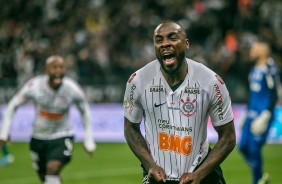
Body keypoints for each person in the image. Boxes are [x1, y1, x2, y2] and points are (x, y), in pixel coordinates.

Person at [123, 21, 236, 184]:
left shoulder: (211, 82)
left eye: (172, 38)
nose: (165, 44)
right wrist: (150, 165)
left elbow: (228, 137)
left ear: (186, 43)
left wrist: (200, 174)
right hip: (157, 176)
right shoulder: (138, 81)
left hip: (202, 175)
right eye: (159, 40)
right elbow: (130, 129)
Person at [0, 55, 96, 184]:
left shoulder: (72, 88)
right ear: (46, 70)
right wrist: (4, 133)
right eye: (54, 67)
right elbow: (13, 105)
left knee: (53, 168)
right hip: (38, 137)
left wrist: (88, 139)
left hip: (62, 135)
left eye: (61, 67)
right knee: (46, 177)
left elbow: (85, 112)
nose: (58, 71)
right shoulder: (34, 86)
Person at [239, 41, 279, 184]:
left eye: (255, 48)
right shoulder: (254, 68)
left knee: (254, 147)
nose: (252, 51)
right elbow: (253, 94)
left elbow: (274, 93)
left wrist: (266, 114)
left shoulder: (270, 68)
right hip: (251, 114)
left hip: (263, 115)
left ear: (263, 51)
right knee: (242, 146)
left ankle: (258, 180)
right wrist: (246, 112)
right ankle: (260, 174)